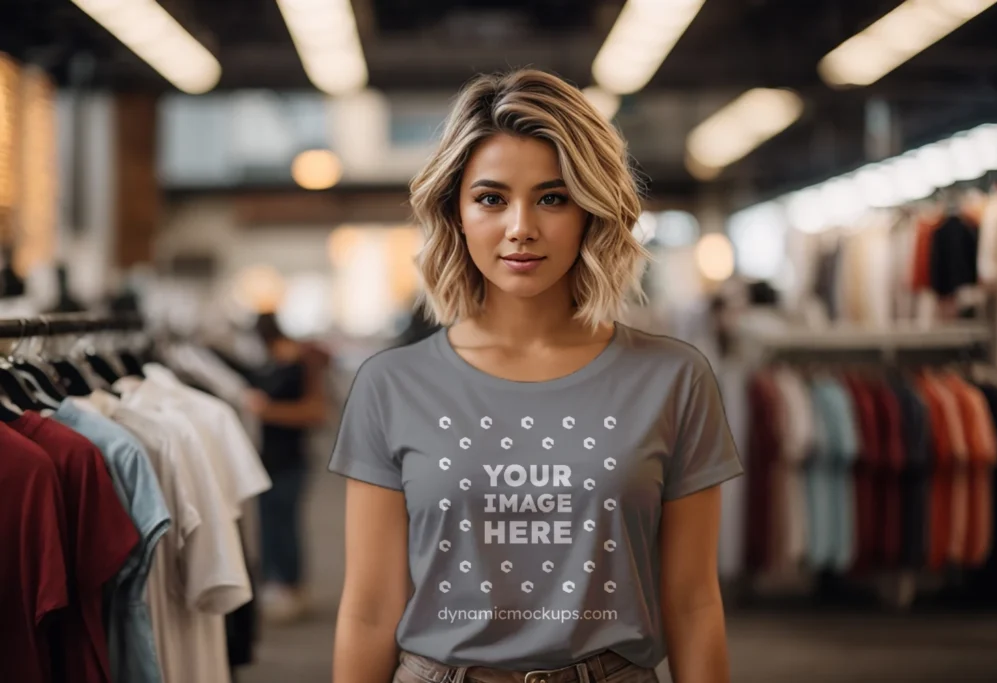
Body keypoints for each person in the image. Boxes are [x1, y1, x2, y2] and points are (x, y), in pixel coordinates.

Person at [328, 69, 744, 683]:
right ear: (457, 213)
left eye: (553, 197)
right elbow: (368, 611)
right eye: (491, 198)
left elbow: (693, 602)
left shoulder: (674, 379)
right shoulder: (390, 385)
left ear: (590, 211)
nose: (521, 226)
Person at [245, 312, 329, 623]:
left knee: (285, 523)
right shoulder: (269, 364)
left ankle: (291, 587)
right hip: (265, 458)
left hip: (291, 457)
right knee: (269, 523)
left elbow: (316, 412)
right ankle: (277, 584)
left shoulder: (301, 363)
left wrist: (267, 411)